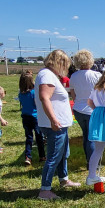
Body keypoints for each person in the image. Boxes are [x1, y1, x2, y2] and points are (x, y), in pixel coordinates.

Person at [35, 50, 81, 200]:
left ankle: (64, 179)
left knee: (62, 154)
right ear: (59, 62)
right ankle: (45, 190)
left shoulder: (50, 75)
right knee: (54, 156)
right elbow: (44, 97)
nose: (66, 68)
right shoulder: (47, 75)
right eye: (65, 64)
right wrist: (54, 120)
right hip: (54, 125)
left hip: (59, 124)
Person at [70, 50, 101, 169]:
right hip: (91, 110)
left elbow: (73, 95)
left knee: (86, 136)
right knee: (92, 138)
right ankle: (93, 164)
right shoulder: (96, 75)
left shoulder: (73, 76)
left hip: (78, 110)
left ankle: (89, 161)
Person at [18, 70, 45, 165]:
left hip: (25, 117)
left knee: (29, 137)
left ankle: (28, 156)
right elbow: (37, 104)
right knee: (39, 137)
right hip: (35, 117)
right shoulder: (33, 93)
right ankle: (42, 156)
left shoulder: (21, 94)